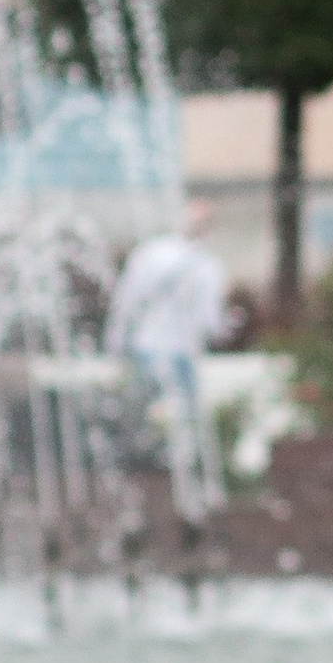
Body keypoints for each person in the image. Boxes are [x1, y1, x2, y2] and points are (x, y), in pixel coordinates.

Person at [104, 204, 231, 509]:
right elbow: (210, 321)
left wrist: (116, 341)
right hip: (182, 352)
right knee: (185, 420)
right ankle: (188, 485)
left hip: (146, 347)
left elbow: (127, 301)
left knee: (139, 415)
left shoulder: (150, 253)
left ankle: (135, 480)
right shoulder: (207, 265)